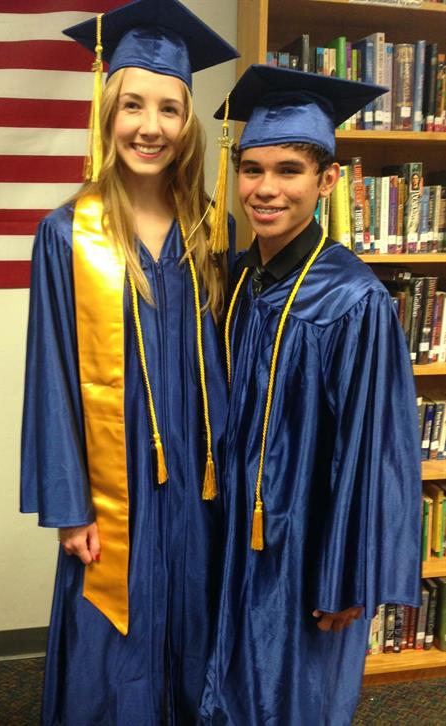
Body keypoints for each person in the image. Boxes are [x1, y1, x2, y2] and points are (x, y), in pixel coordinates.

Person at [20, 1, 237, 724]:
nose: (152, 126)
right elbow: (50, 376)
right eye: (134, 105)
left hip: (200, 482)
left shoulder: (212, 229)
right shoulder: (67, 234)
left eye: (171, 109)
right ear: (106, 112)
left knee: (196, 626)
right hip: (115, 488)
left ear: (188, 123)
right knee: (113, 644)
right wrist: (69, 506)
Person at [200, 65, 422, 726]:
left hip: (306, 551)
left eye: (288, 170)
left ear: (327, 181)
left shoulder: (354, 301)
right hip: (235, 531)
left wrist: (346, 573)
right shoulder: (238, 280)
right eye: (251, 168)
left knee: (294, 699)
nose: (264, 189)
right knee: (228, 687)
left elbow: (374, 451)